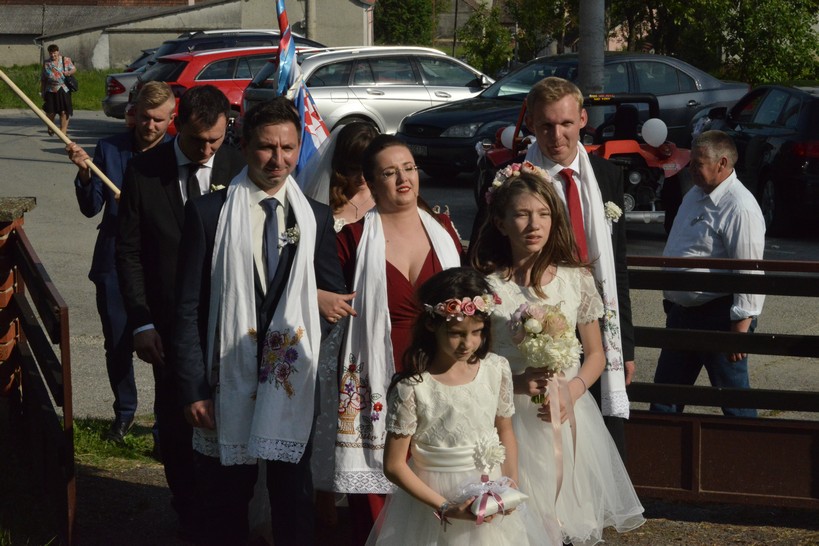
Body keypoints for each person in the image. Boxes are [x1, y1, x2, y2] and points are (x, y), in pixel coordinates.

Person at [172, 96, 348, 545]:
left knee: (294, 500)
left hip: (290, 383)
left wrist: (293, 346)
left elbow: (330, 301)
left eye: (288, 148)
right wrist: (193, 388)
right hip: (225, 382)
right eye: (267, 147)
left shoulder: (314, 218)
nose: (278, 160)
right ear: (245, 146)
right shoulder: (209, 214)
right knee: (226, 502)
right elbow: (188, 308)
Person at [471, 168, 645, 544]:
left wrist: (573, 390)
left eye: (543, 214)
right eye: (521, 214)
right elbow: (474, 364)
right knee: (516, 525)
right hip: (507, 421)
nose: (534, 224)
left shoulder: (575, 279)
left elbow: (596, 354)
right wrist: (517, 383)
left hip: (566, 416)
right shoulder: (487, 288)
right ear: (500, 222)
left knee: (564, 520)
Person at [116, 84, 245, 538]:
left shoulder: (239, 167)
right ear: (178, 125)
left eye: (216, 140)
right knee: (176, 420)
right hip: (168, 326)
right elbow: (129, 252)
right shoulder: (144, 171)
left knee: (230, 415)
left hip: (232, 322)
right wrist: (142, 321)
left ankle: (227, 510)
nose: (208, 150)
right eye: (197, 141)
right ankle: (187, 509)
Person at [334, 135, 464, 543]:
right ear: (371, 183)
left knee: (436, 472)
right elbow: (322, 297)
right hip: (379, 371)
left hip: (438, 370)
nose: (403, 179)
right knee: (380, 476)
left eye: (408, 168)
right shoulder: (353, 238)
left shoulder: (444, 231)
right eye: (389, 173)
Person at [368, 267, 552, 545]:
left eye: (477, 332)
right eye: (456, 333)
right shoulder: (414, 387)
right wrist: (444, 506)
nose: (468, 343)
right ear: (432, 325)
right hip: (435, 498)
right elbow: (394, 465)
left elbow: (505, 430)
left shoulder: (496, 369)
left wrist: (510, 484)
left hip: (491, 490)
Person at [522, 76, 635, 459]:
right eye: (546, 126)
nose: (557, 136)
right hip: (538, 321)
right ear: (531, 124)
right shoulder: (515, 178)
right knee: (547, 434)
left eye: (566, 123)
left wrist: (626, 346)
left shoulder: (607, 175)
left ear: (583, 119)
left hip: (598, 321)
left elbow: (618, 265)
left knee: (603, 435)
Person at [66, 81, 176, 442]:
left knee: (164, 346)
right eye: (144, 117)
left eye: (158, 120)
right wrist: (85, 173)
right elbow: (90, 208)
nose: (150, 126)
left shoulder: (176, 154)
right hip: (113, 262)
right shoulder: (110, 149)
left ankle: (163, 426)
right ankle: (125, 413)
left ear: (171, 118)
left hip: (159, 264)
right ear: (134, 113)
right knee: (117, 343)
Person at [296, 120, 379, 528]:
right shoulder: (323, 205)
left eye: (368, 167)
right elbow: (300, 270)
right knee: (329, 415)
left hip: (375, 324)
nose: (361, 177)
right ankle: (323, 504)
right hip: (333, 328)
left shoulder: (386, 197)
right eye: (353, 168)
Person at [651, 130, 765, 417]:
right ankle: (660, 446)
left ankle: (747, 447)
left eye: (698, 163)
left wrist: (740, 327)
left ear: (722, 163)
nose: (690, 168)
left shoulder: (740, 207)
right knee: (664, 399)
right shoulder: (695, 194)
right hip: (683, 315)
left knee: (735, 403)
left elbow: (749, 269)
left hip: (720, 316)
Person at [298, 121, 380, 231]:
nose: (362, 177)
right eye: (354, 169)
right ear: (342, 165)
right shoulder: (325, 197)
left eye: (367, 169)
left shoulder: (384, 195)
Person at [41, 44, 76, 136]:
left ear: (58, 52)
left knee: (64, 111)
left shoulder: (65, 60)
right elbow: (43, 79)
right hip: (50, 90)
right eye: (51, 53)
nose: (53, 55)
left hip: (64, 89)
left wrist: (68, 72)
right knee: (50, 111)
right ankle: (50, 127)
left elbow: (73, 69)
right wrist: (42, 91)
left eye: (54, 53)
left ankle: (63, 131)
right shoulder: (46, 63)